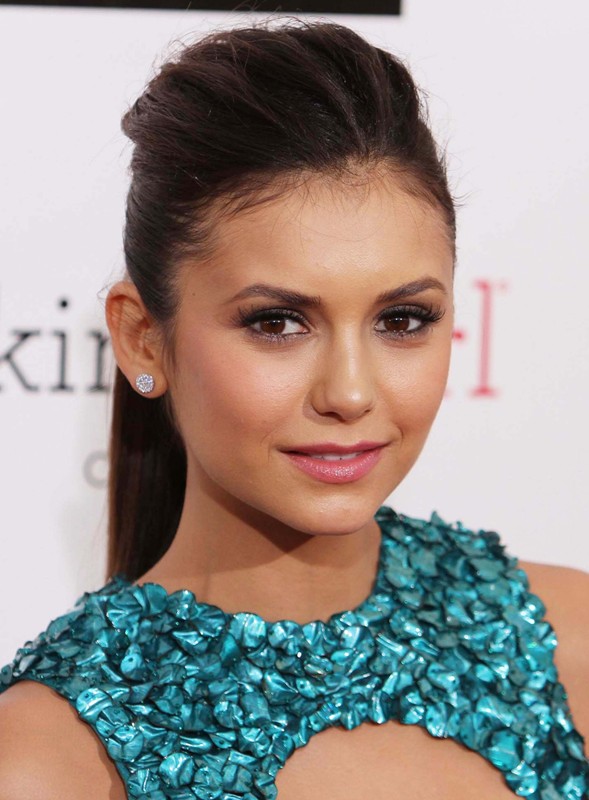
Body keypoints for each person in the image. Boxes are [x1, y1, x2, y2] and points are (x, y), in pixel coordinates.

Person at [0, 16, 587, 800]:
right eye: (276, 323)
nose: (349, 392)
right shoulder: (47, 760)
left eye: (400, 320)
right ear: (142, 338)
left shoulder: (565, 642)